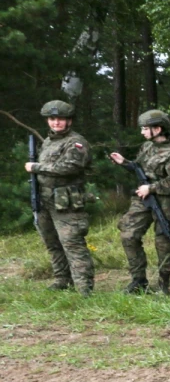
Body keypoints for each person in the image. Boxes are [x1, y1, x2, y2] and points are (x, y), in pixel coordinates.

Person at [111, 110, 170, 294]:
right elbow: (140, 168)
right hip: (143, 198)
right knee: (128, 234)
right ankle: (138, 281)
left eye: (145, 129)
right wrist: (125, 162)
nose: (142, 132)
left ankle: (164, 283)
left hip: (164, 201)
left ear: (158, 129)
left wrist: (151, 188)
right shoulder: (147, 147)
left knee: (164, 240)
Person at [26, 100, 93, 295]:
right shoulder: (48, 142)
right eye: (52, 119)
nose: (56, 122)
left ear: (69, 121)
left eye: (60, 119)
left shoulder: (76, 142)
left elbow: (70, 167)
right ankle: (62, 279)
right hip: (45, 199)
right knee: (52, 243)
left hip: (67, 201)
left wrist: (37, 167)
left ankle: (84, 289)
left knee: (72, 243)